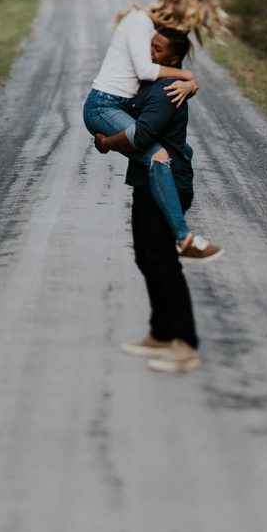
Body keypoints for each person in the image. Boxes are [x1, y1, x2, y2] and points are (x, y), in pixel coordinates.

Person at [81, 0, 227, 260]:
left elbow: (162, 74)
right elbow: (147, 70)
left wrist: (189, 84)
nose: (184, 27)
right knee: (157, 156)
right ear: (174, 6)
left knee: (181, 151)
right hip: (104, 106)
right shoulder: (138, 21)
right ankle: (183, 238)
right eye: (186, 19)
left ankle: (156, 224)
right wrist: (188, 76)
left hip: (123, 107)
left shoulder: (152, 27)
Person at [95, 26, 207, 373]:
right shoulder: (153, 81)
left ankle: (185, 345)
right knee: (147, 257)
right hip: (150, 182)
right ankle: (160, 333)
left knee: (162, 262)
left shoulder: (164, 90)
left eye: (158, 49)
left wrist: (106, 142)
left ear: (173, 59)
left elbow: (141, 136)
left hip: (169, 182)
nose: (151, 52)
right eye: (150, 45)